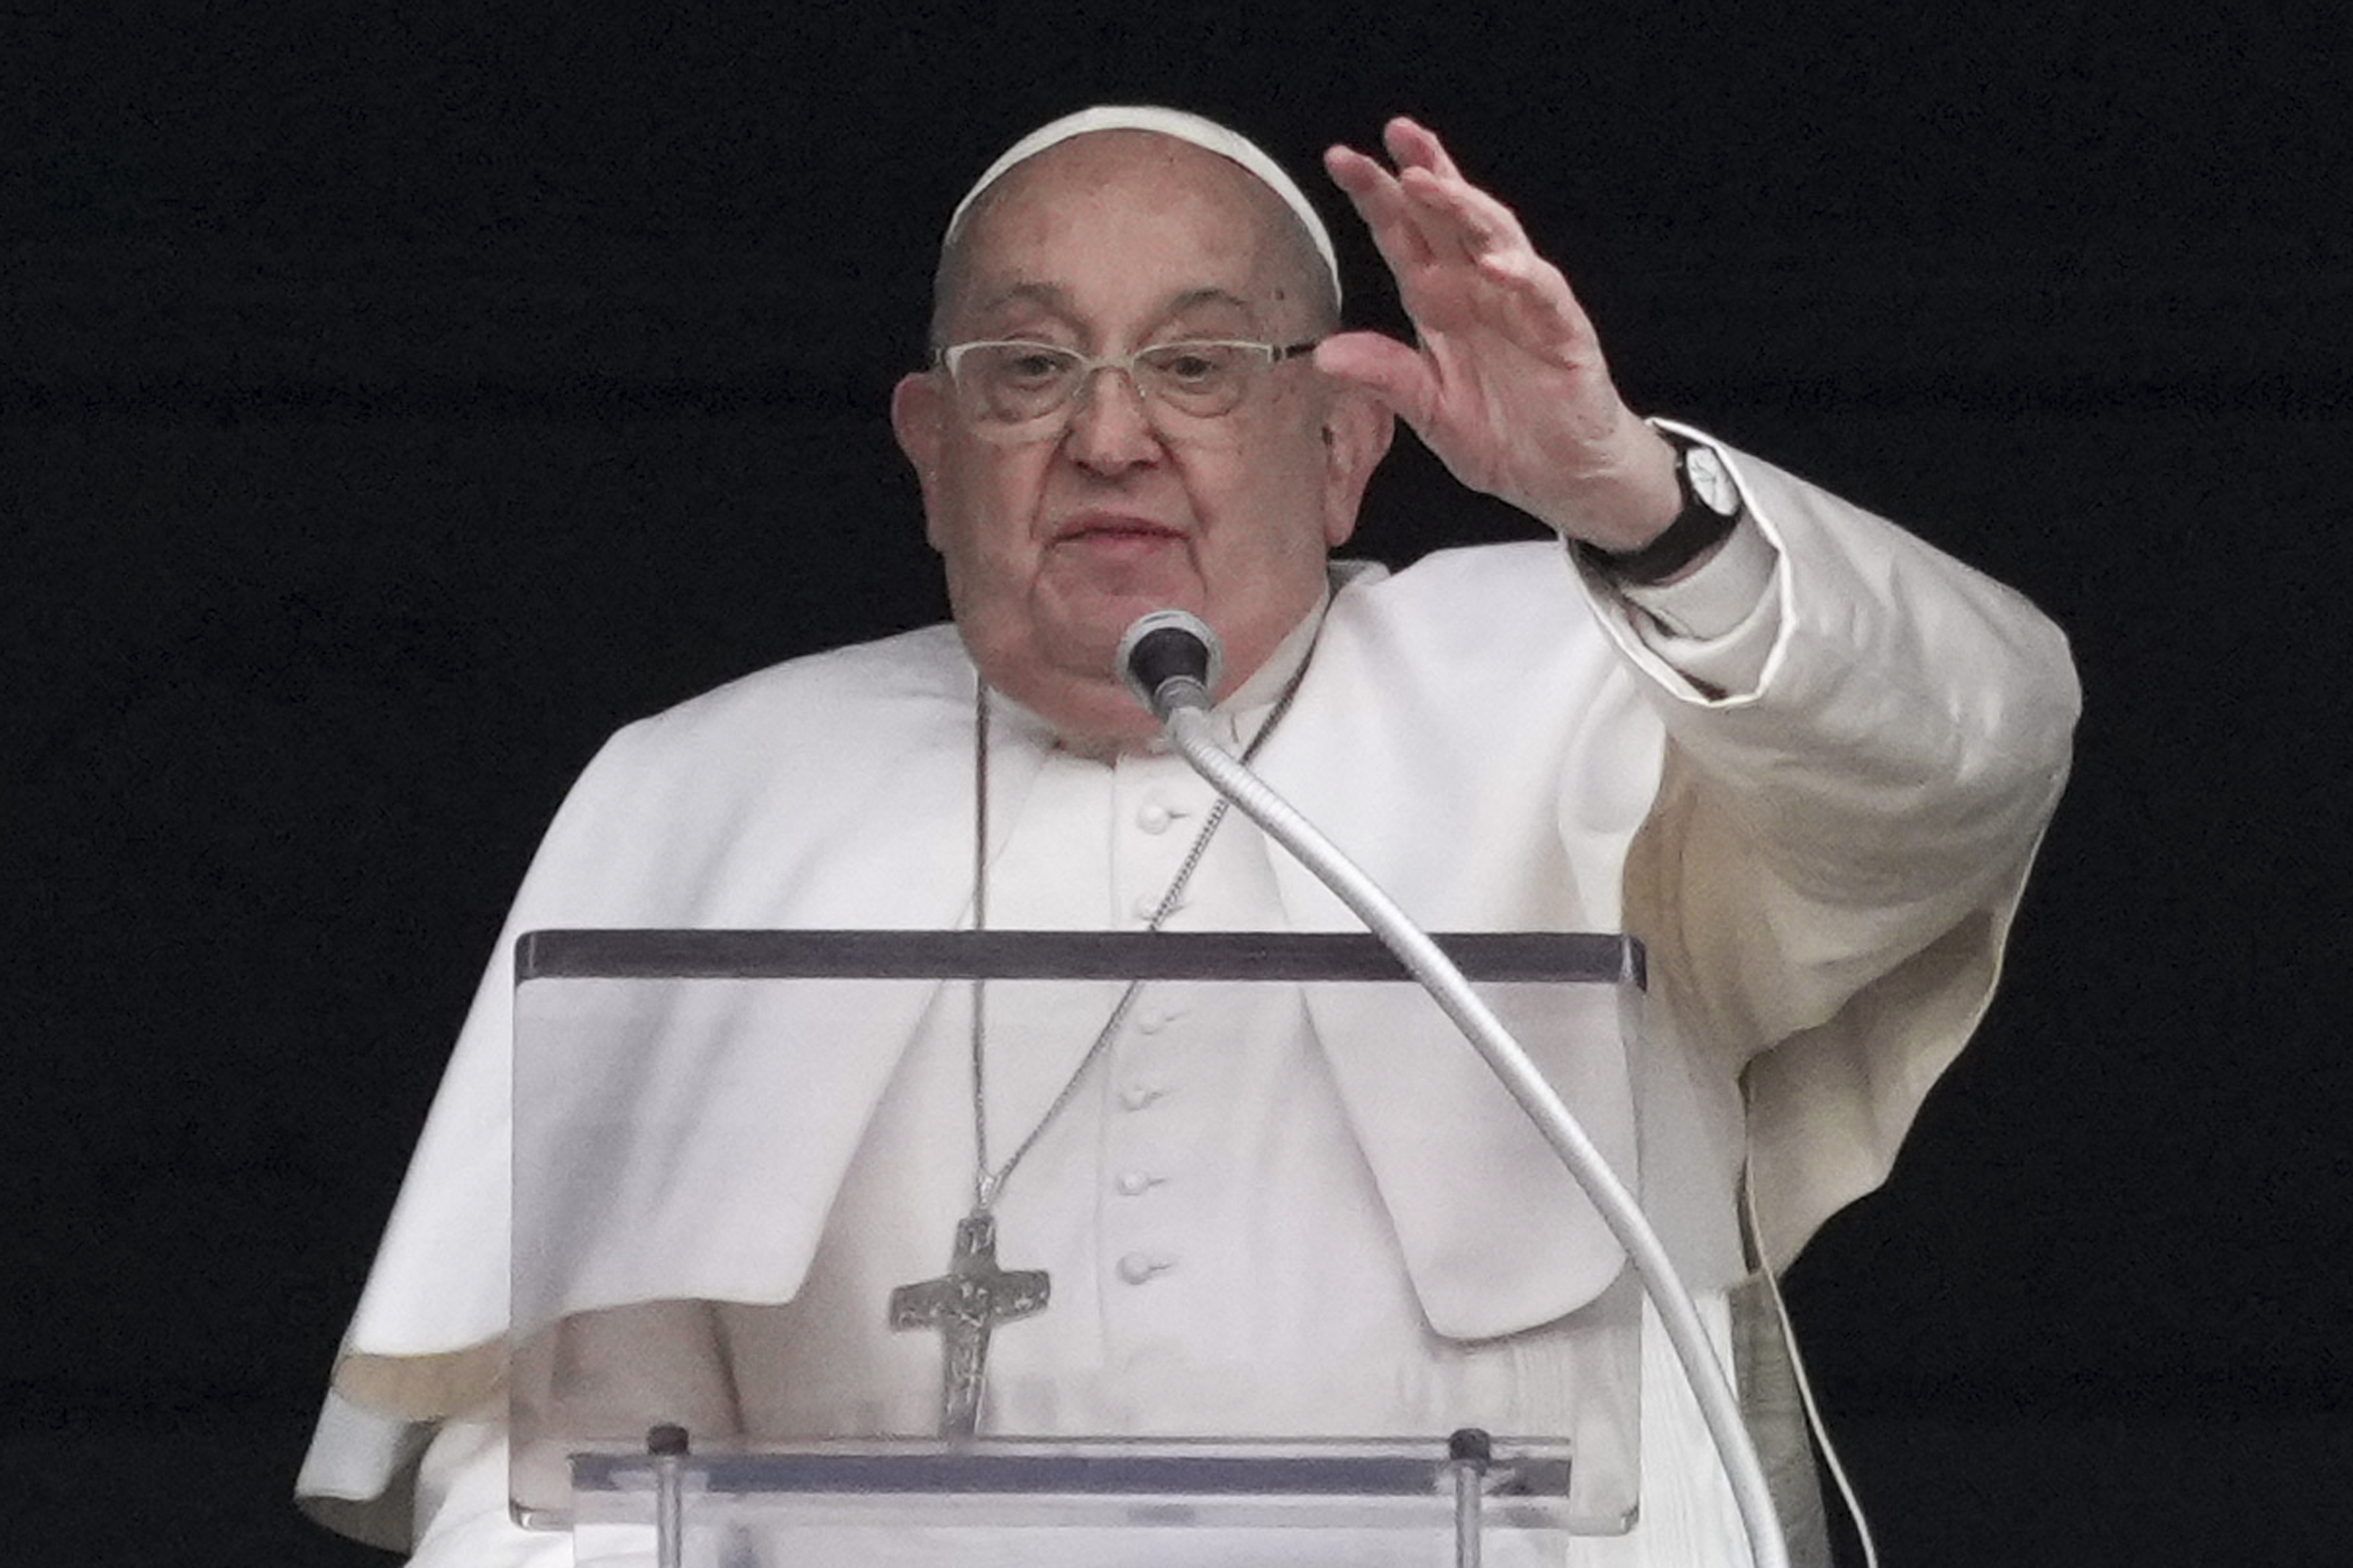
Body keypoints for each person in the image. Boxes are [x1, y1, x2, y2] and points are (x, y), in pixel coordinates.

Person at [296, 106, 2078, 1567]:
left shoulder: (1585, 679)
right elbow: (567, 1473)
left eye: (1202, 365)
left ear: (1344, 442)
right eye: (1028, 365)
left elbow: (1976, 751)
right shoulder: (699, 794)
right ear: (932, 449)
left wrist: (1638, 505)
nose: (1110, 434)